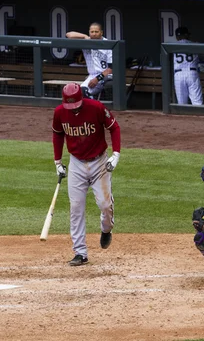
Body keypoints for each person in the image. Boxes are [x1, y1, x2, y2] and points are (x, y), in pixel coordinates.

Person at [52, 83, 121, 266]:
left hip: (100, 162)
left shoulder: (96, 108)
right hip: (76, 163)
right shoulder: (59, 112)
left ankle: (106, 230)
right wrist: (57, 161)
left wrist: (116, 154)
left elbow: (114, 128)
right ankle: (80, 252)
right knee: (76, 208)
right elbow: (58, 134)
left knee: (105, 205)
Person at [65, 23, 113, 99]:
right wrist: (84, 36)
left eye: (96, 32)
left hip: (106, 76)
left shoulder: (108, 44)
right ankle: (92, 105)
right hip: (92, 75)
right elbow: (69, 35)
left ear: (101, 32)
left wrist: (97, 79)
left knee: (110, 86)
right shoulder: (86, 41)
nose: (94, 34)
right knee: (80, 92)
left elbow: (111, 69)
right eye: (92, 32)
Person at [172, 27, 202, 105]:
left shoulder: (172, 45)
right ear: (186, 35)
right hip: (192, 73)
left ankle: (183, 117)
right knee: (197, 102)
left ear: (176, 37)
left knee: (181, 104)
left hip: (178, 75)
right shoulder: (196, 44)